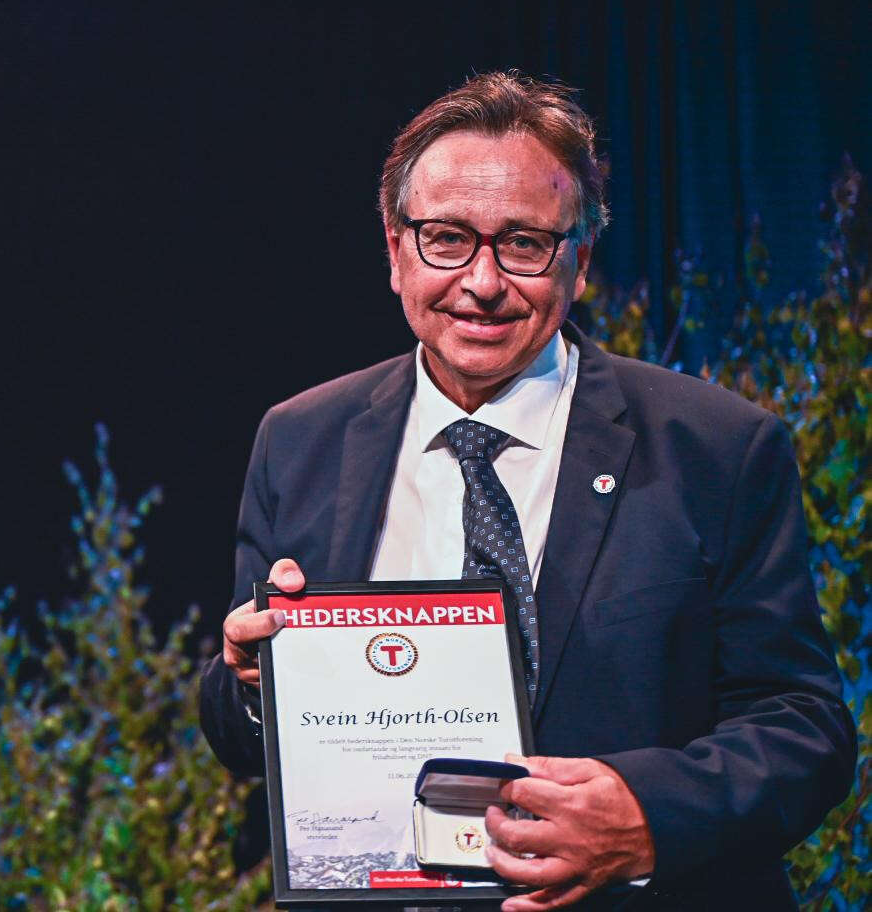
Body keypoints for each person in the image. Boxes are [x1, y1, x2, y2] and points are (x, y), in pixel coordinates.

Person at [198, 73, 853, 910]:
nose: (481, 281)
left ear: (580, 261)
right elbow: (243, 737)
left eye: (524, 243)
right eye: (445, 239)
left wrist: (647, 816)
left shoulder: (717, 447)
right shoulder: (300, 440)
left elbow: (804, 727)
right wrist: (250, 686)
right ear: (396, 251)